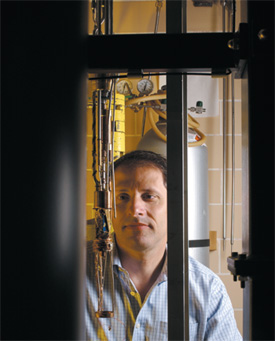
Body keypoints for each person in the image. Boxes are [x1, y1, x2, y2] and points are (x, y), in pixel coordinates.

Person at [86, 150, 242, 341]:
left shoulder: (207, 290)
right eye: (122, 197)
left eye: (149, 196)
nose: (135, 209)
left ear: (173, 206)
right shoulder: (69, 273)